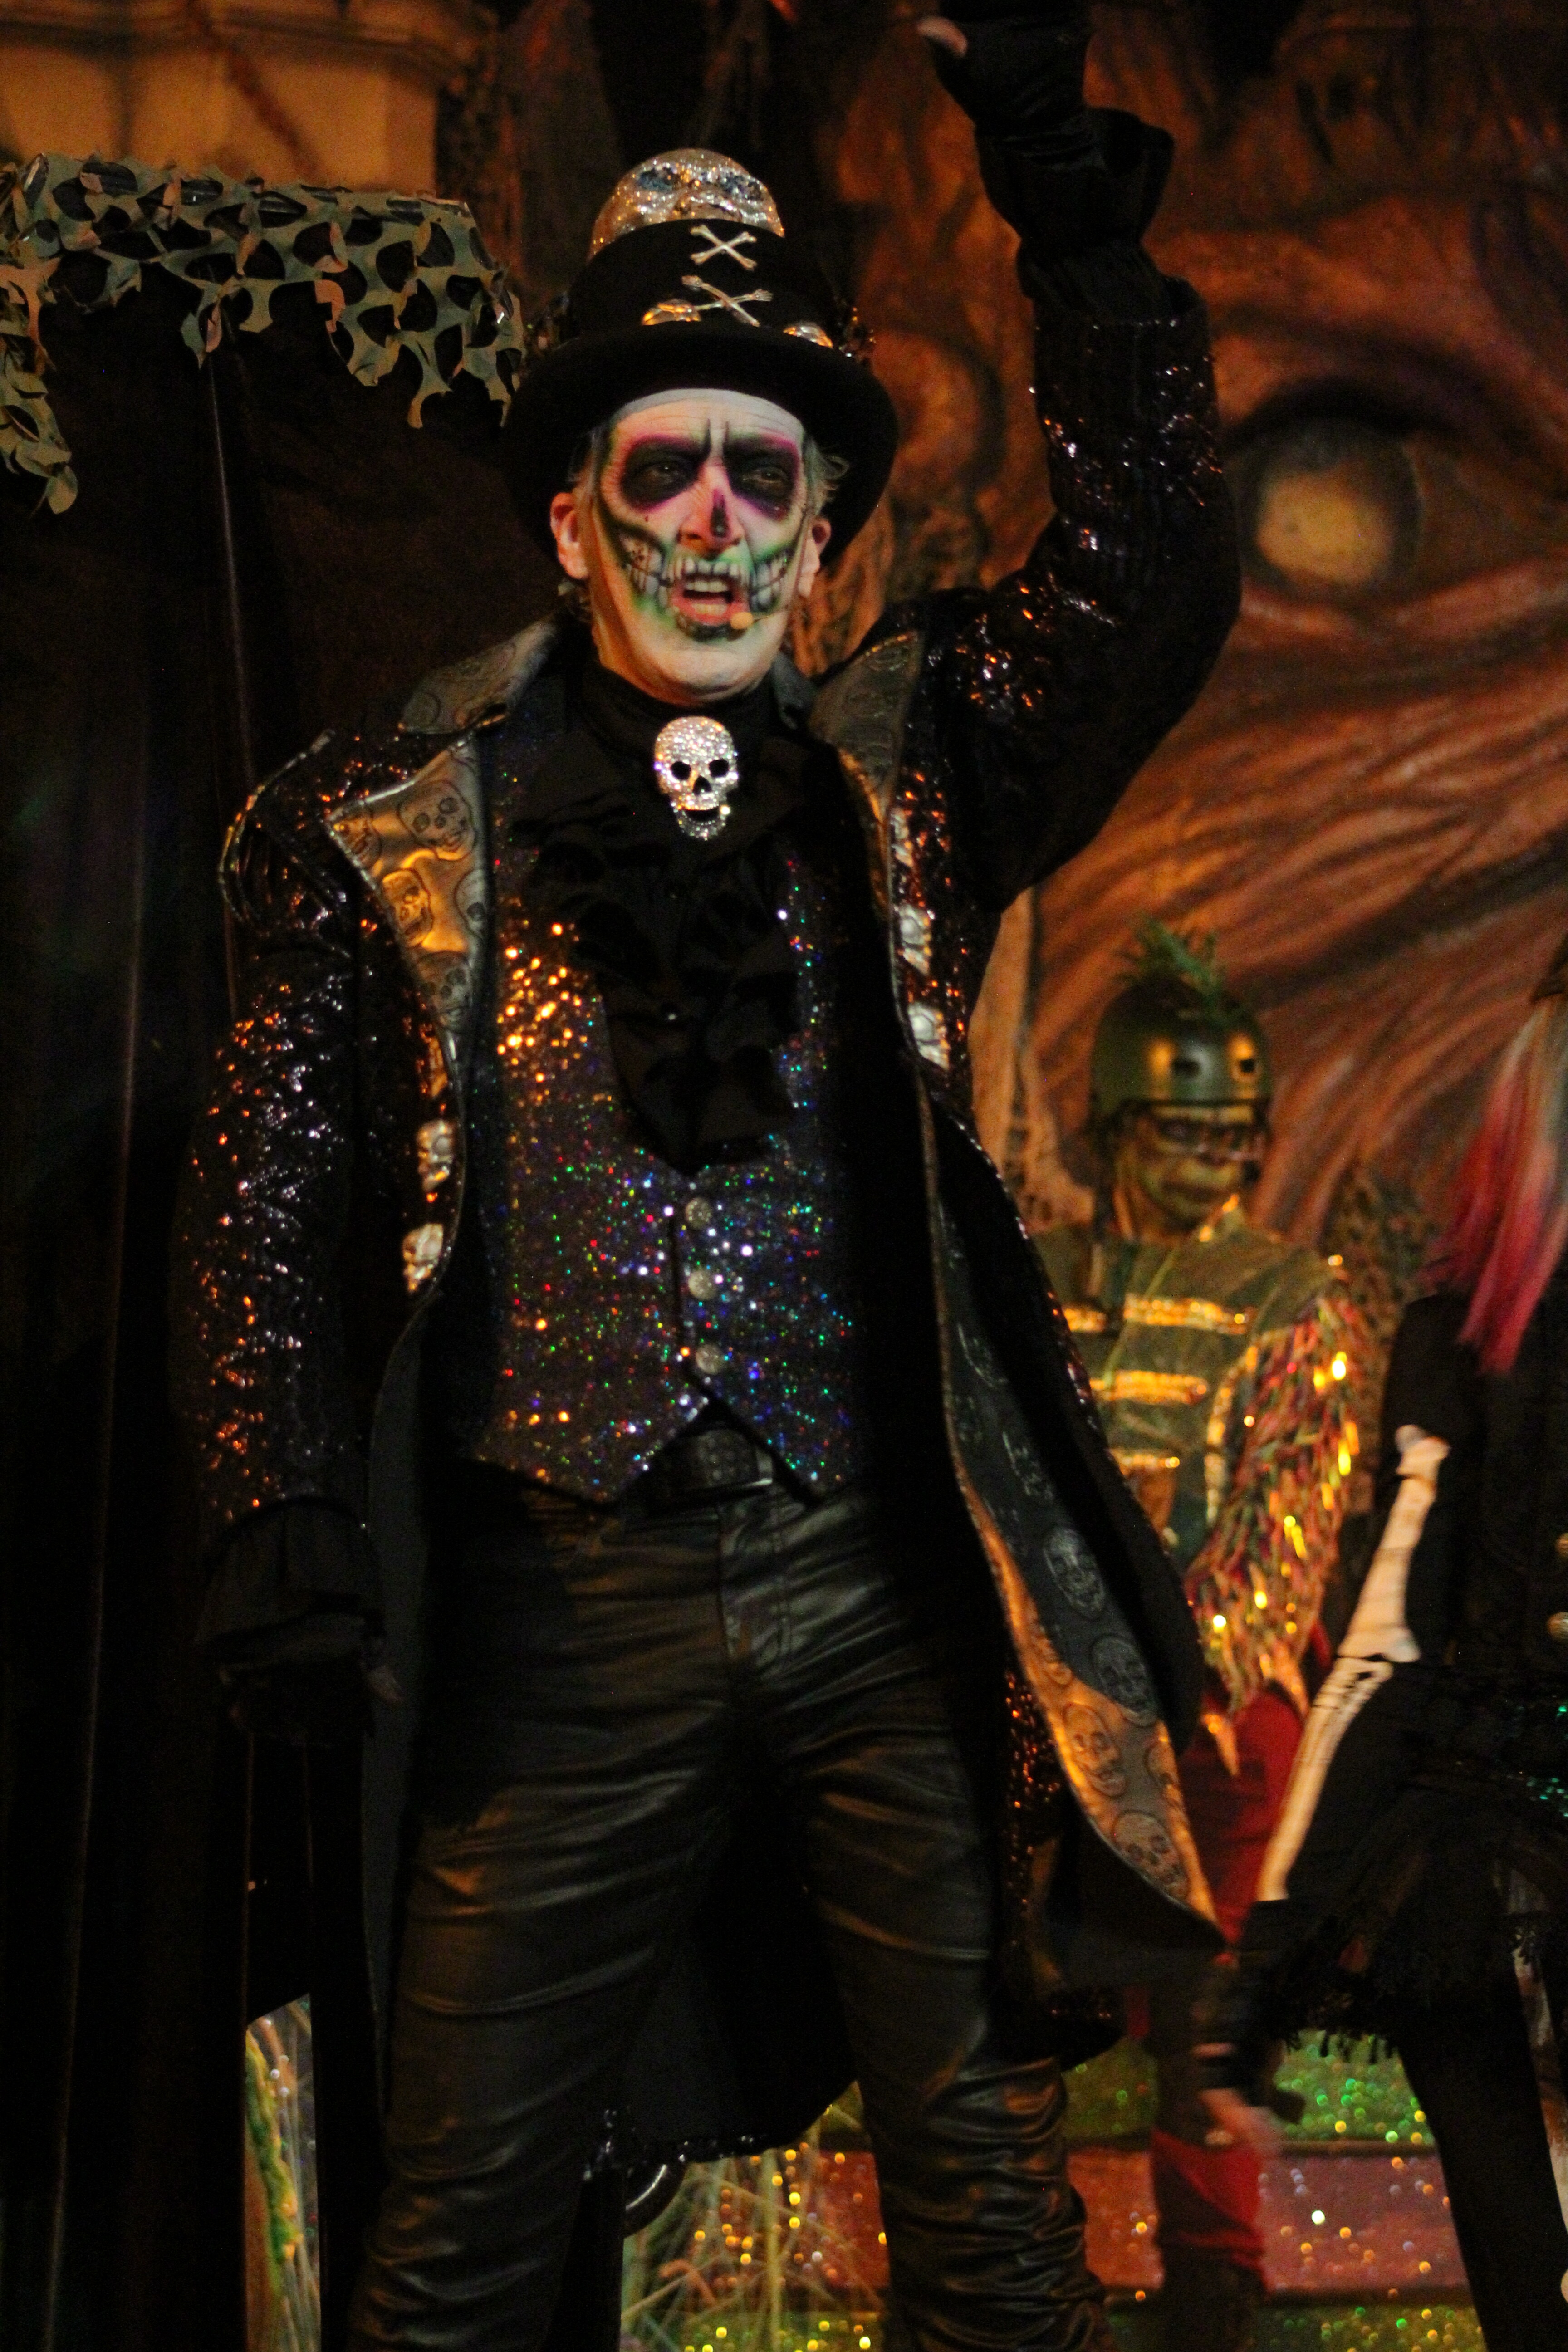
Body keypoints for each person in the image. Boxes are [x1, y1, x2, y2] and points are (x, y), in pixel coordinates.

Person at [171, 11, 1241, 2346]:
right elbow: (271, 1170)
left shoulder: (907, 769)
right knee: (453, 2243)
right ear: (573, 512)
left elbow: (1154, 561)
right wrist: (277, 1501)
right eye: (668, 468)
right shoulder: (394, 829)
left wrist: (1058, 189)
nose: (720, 525)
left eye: (772, 477)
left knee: (993, 2224)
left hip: (872, 1594)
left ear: (824, 531)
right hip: (562, 1605)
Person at [1204, 936, 1568, 2352]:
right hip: (1467, 1862)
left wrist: (1262, 1982)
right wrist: (1264, 1973)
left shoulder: (1458, 1336)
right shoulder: (1461, 1339)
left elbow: (1382, 1652)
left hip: (1465, 1856)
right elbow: (1385, 1648)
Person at [1035, 925, 1361, 2351]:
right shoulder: (1037, 1280)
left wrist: (1175, 1685)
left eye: (1235, 1134)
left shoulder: (1295, 1300)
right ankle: (1006, 2279)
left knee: (1205, 2005)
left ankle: (1215, 2290)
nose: (1216, 1159)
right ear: (1117, 1124)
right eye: (1185, 1131)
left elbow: (1286, 1529)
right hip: (1046, 1696)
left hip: (1214, 1713)